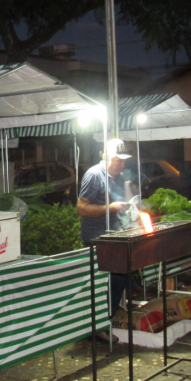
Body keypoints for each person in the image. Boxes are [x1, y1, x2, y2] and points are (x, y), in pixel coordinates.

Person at [78, 138, 135, 343]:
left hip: (114, 236)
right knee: (104, 282)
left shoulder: (118, 176)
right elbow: (82, 208)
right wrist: (109, 208)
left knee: (120, 278)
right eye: (119, 161)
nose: (123, 164)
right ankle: (97, 327)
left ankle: (105, 320)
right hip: (96, 239)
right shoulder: (94, 175)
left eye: (124, 161)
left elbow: (117, 201)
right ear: (108, 158)